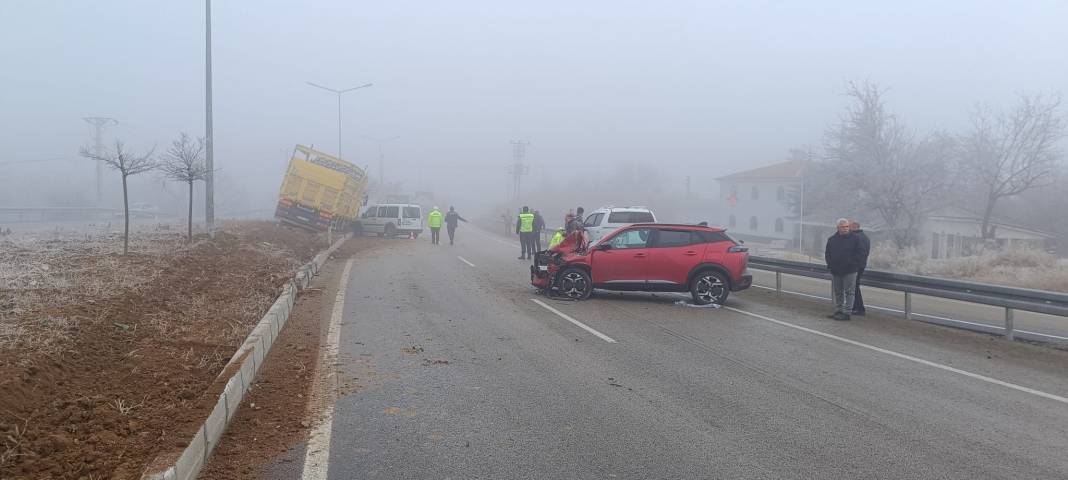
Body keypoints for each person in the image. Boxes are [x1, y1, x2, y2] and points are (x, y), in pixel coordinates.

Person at [825, 218, 863, 321]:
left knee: (849, 292)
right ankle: (839, 310)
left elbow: (860, 254)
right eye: (843, 227)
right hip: (836, 270)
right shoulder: (832, 239)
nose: (846, 228)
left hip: (850, 270)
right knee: (838, 291)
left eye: (847, 226)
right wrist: (831, 265)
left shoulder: (855, 239)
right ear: (838, 228)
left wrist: (853, 264)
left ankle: (847, 313)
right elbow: (828, 254)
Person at [850, 220, 871, 316]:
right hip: (861, 265)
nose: (848, 228)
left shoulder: (856, 237)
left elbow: (859, 253)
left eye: (849, 226)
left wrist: (853, 264)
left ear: (854, 226)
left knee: (854, 286)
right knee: (855, 286)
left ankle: (859, 308)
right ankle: (856, 307)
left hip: (856, 266)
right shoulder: (865, 237)